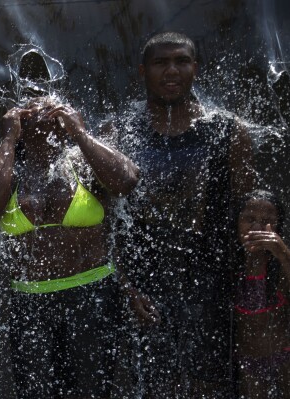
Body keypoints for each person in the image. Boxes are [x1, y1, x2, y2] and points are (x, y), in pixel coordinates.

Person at [108, 32, 255, 397]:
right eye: (161, 63)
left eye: (181, 61)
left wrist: (251, 285)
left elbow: (248, 214)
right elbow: (104, 223)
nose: (171, 71)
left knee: (214, 386)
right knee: (156, 387)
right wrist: (126, 287)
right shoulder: (119, 133)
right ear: (142, 71)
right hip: (145, 284)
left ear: (196, 68)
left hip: (212, 283)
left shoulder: (228, 131)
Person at [0, 94, 139, 398]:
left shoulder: (83, 163)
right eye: (31, 103)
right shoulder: (9, 169)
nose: (43, 107)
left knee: (93, 392)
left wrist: (80, 133)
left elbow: (126, 180)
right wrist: (8, 139)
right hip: (30, 304)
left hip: (92, 296)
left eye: (51, 102)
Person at [233, 190, 290, 398]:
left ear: (278, 228)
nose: (257, 227)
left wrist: (282, 253)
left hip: (284, 357)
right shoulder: (230, 265)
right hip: (247, 361)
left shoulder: (279, 266)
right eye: (249, 220)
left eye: (267, 221)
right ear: (236, 224)